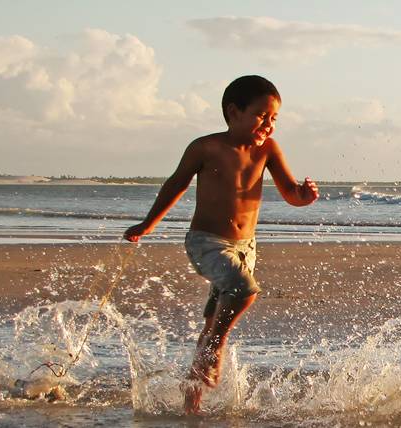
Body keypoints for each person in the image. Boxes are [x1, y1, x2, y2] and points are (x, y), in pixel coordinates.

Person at [123, 75, 319, 415]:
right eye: (261, 115)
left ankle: (191, 400)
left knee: (216, 316)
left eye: (273, 118)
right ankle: (215, 347)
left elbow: (291, 194)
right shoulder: (206, 147)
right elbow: (176, 184)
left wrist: (305, 196)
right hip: (207, 243)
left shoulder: (268, 150)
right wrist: (148, 224)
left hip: (245, 247)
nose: (268, 125)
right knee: (243, 290)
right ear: (234, 112)